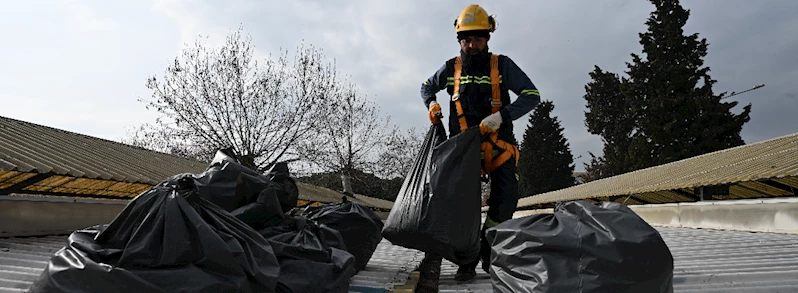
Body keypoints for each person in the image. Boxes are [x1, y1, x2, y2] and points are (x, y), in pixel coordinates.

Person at [419, 4, 542, 283]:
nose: (471, 45)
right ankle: (466, 261)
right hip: (463, 147)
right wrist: (432, 103)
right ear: (459, 39)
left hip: (499, 145)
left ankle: (489, 252)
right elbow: (426, 86)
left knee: (505, 199)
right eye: (466, 39)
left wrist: (502, 116)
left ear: (488, 37)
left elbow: (531, 95)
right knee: (463, 207)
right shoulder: (451, 68)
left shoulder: (502, 65)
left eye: (477, 39)